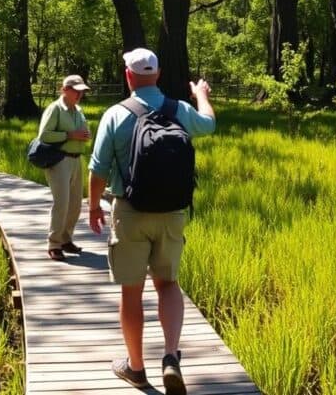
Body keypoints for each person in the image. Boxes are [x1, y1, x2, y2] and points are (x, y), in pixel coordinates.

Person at [87, 48, 215, 395]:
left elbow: (98, 169)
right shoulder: (180, 110)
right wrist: (201, 95)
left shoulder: (116, 114)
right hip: (173, 213)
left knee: (132, 292)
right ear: (157, 75)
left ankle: (136, 368)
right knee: (168, 284)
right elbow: (210, 123)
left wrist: (95, 207)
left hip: (130, 211)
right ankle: (171, 356)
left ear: (128, 76)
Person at [37, 75, 91, 261]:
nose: (79, 94)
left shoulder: (78, 110)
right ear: (65, 89)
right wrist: (70, 135)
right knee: (62, 203)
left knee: (75, 204)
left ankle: (66, 239)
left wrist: (84, 135)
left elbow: (82, 131)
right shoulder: (55, 109)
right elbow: (44, 135)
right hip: (59, 161)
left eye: (81, 91)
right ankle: (54, 244)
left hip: (77, 160)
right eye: (76, 90)